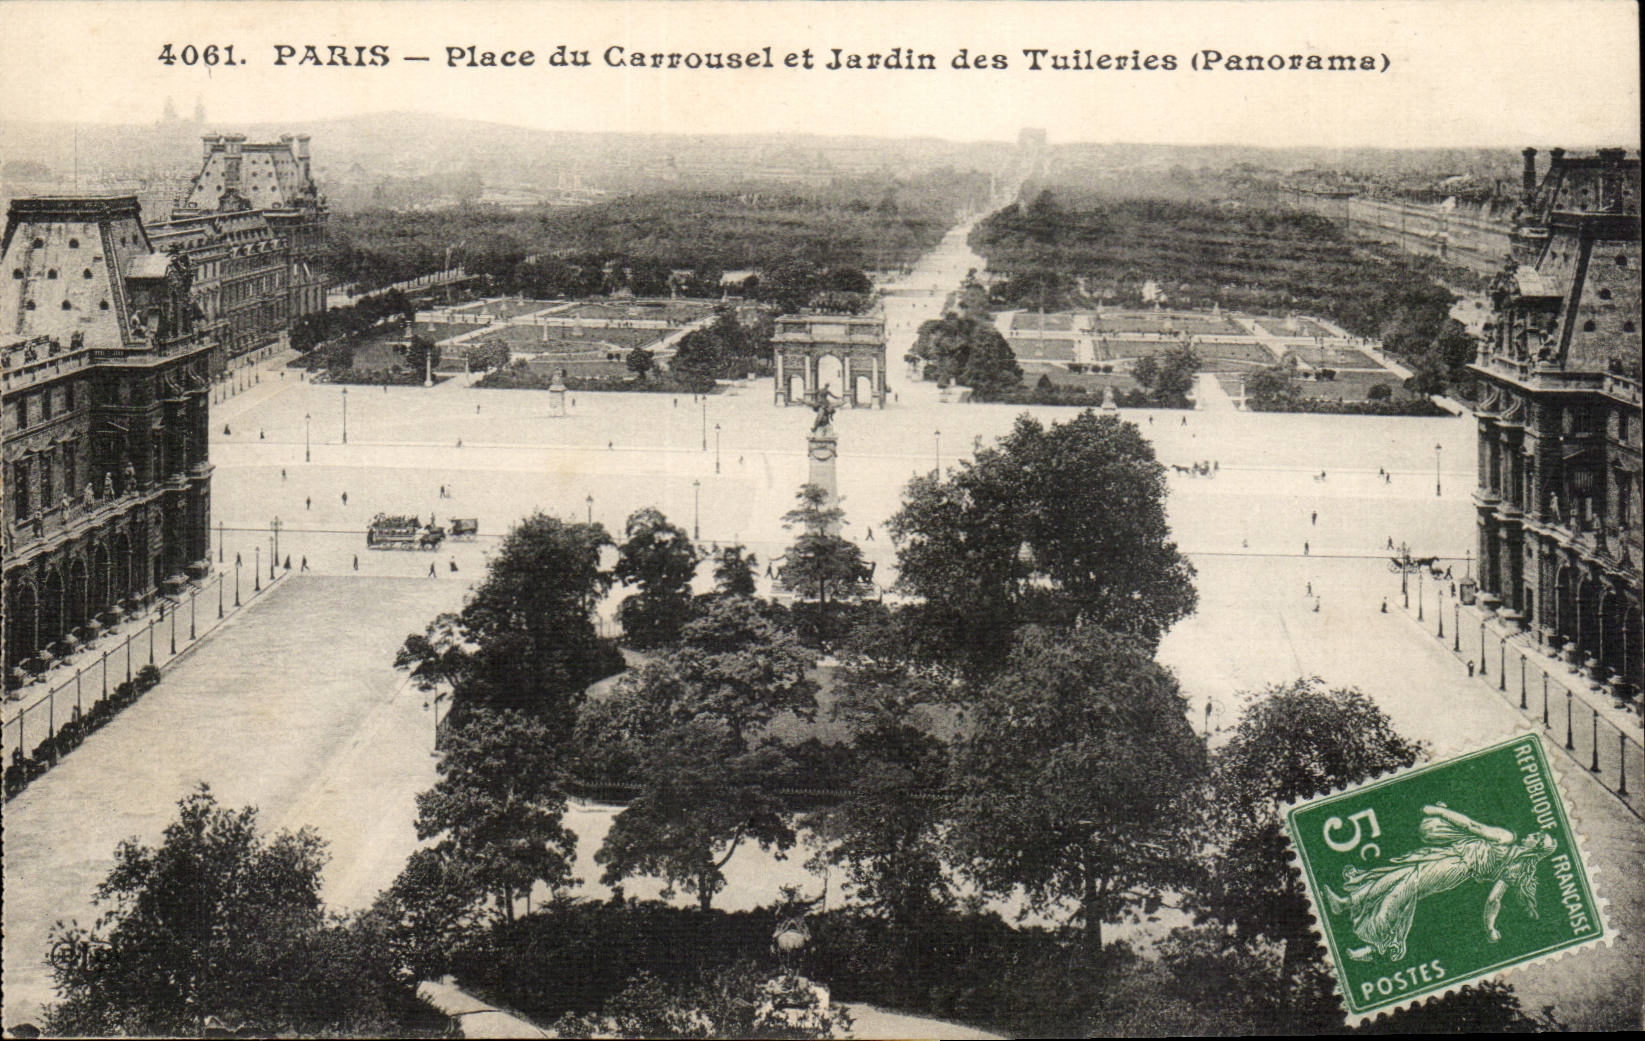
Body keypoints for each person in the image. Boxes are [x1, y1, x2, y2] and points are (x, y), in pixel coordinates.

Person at [1324, 804, 1558, 962]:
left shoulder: (1508, 845)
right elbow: (1493, 899)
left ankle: (1375, 945)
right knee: (1398, 872)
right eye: (1536, 833)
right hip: (1449, 855)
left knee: (1404, 888)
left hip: (1456, 866)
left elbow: (1471, 827)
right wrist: (1489, 928)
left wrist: (1437, 811)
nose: (1531, 835)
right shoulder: (1514, 858)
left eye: (1536, 837)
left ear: (1535, 848)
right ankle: (1345, 903)